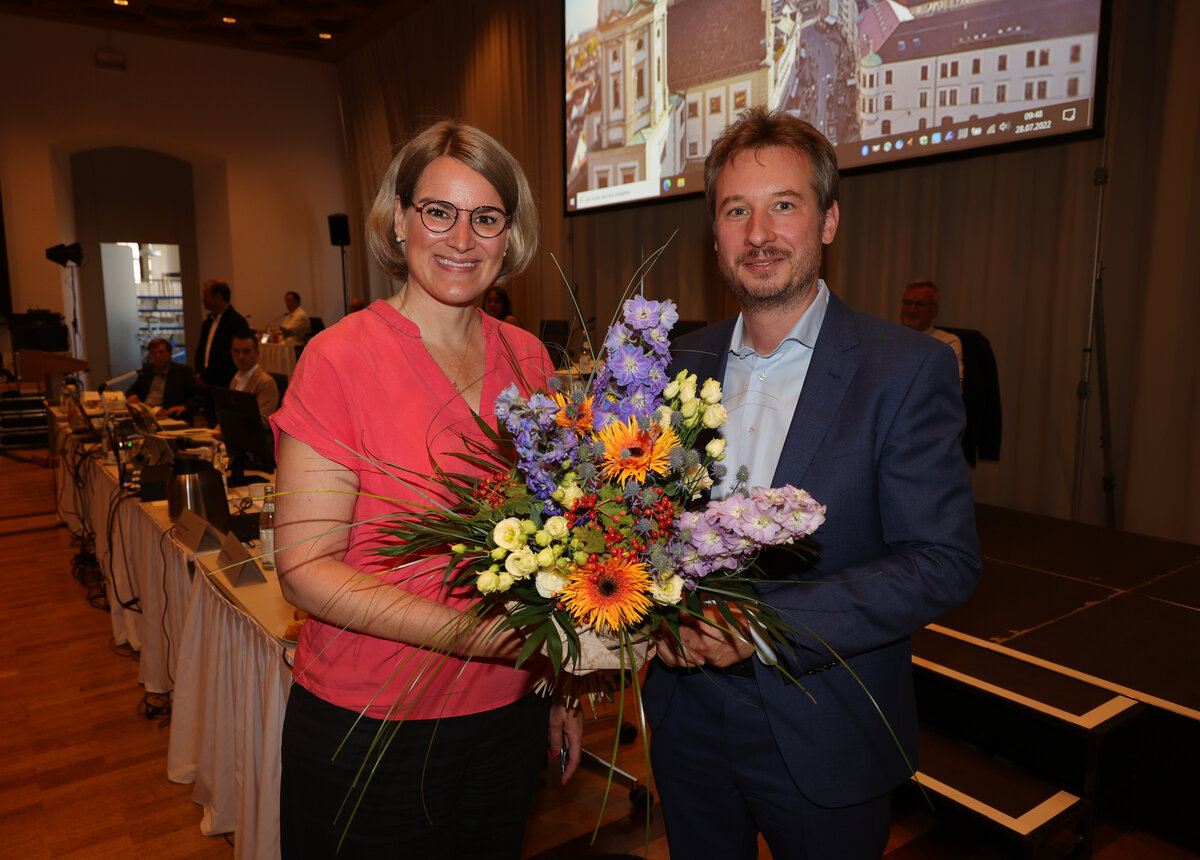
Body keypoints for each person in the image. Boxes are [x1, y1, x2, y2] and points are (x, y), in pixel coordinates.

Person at [643, 106, 981, 860]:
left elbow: (943, 560)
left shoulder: (904, 369)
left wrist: (760, 624)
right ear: (717, 233)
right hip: (684, 716)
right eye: (737, 210)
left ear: (828, 220)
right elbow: (645, 526)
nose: (758, 232)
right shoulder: (673, 367)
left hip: (825, 721)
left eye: (783, 205)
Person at [271, 119, 583, 858]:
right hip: (369, 723)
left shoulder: (532, 360)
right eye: (439, 212)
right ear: (400, 219)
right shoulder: (338, 358)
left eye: (486, 217)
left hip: (507, 714)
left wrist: (561, 688)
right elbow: (306, 570)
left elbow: (563, 545)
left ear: (510, 235)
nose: (462, 238)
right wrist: (485, 638)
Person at [189, 279, 249, 421]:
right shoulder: (208, 322)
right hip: (207, 384)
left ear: (218, 297)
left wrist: (206, 377)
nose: (203, 300)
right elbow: (201, 351)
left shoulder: (236, 322)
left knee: (225, 423)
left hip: (224, 382)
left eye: (206, 295)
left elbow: (229, 357)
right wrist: (200, 375)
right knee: (210, 422)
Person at [901, 278, 963, 385]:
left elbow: (953, 386)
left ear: (934, 310)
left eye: (920, 304)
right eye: (908, 302)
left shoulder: (947, 342)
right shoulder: (890, 338)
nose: (912, 309)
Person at [125, 337, 196, 418]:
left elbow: (199, 395)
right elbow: (132, 390)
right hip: (147, 415)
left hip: (170, 416)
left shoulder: (183, 371)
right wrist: (132, 395)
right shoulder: (147, 372)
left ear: (170, 353)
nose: (157, 356)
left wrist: (184, 407)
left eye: (161, 352)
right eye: (153, 353)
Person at [228, 328, 280, 420]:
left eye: (246, 351)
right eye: (236, 351)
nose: (241, 357)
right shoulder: (235, 379)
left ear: (257, 353)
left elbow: (262, 421)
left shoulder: (266, 383)